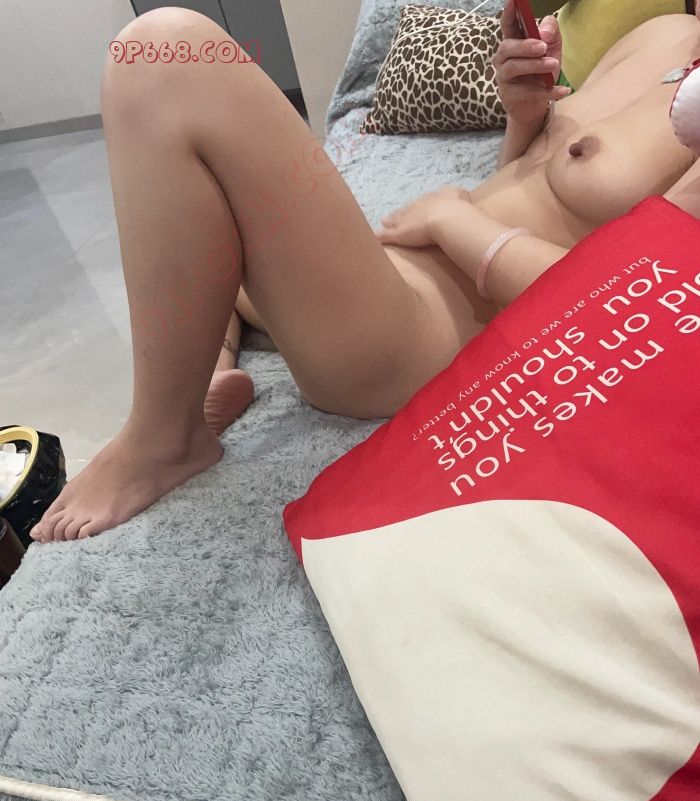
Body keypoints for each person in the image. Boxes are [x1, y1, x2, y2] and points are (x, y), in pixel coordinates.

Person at [31, 0, 700, 543]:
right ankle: (212, 377)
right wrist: (526, 118)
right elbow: (534, 181)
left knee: (166, 53)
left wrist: (453, 220)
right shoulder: (666, 34)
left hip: (425, 339)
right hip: (397, 270)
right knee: (205, 227)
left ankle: (164, 438)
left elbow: (641, 306)